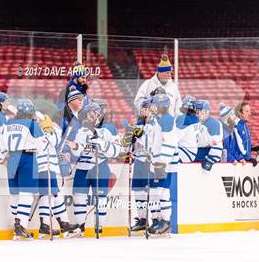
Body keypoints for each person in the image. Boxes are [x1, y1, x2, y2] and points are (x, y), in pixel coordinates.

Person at [67, 102, 121, 236]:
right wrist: (74, 147)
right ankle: (80, 227)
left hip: (100, 166)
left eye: (92, 114)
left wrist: (101, 143)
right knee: (79, 197)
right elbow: (77, 152)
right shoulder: (81, 130)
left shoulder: (108, 130)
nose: (89, 117)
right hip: (82, 168)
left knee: (101, 198)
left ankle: (99, 225)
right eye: (87, 114)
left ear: (99, 114)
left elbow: (115, 151)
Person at [0, 99, 45, 240]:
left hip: (12, 158)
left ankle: (16, 227)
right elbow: (41, 145)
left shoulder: (8, 123)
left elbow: (1, 144)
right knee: (27, 194)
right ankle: (21, 226)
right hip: (27, 158)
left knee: (14, 194)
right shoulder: (33, 124)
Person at [35, 113, 81, 238]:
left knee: (55, 194)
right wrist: (47, 130)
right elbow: (47, 143)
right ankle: (44, 226)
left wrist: (50, 129)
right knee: (48, 195)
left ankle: (64, 223)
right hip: (43, 167)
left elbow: (56, 140)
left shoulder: (47, 131)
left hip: (49, 167)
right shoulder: (36, 131)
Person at [146, 93, 178, 235]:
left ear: (160, 105)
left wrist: (162, 163)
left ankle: (165, 222)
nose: (151, 107)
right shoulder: (158, 120)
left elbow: (169, 144)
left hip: (165, 162)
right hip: (158, 162)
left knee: (162, 191)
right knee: (155, 192)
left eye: (153, 104)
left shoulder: (167, 119)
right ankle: (159, 220)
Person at [121, 98, 152, 233]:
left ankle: (156, 219)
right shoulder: (138, 125)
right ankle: (142, 219)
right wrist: (130, 141)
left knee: (151, 192)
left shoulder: (156, 124)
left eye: (146, 108)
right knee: (138, 191)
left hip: (150, 162)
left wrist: (140, 137)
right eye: (143, 109)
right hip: (138, 161)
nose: (143, 111)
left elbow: (152, 143)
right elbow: (127, 147)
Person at [195, 100, 223, 171]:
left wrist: (210, 160)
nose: (197, 114)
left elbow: (217, 144)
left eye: (200, 111)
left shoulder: (214, 124)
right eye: (196, 111)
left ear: (207, 111)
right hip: (194, 156)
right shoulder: (194, 123)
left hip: (206, 156)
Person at [175, 96, 200, 164]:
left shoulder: (184, 119)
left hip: (184, 153)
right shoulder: (196, 119)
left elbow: (174, 139)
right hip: (191, 152)